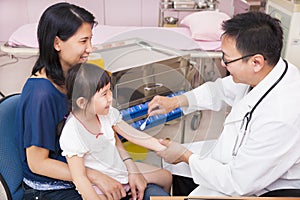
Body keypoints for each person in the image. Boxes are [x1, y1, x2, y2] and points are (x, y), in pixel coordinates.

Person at [14, 2, 167, 200]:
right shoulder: (41, 95)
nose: (90, 49)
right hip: (52, 187)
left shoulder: (76, 79)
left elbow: (107, 128)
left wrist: (130, 167)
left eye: (90, 40)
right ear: (57, 43)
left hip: (90, 165)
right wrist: (95, 177)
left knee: (160, 181)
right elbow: (37, 163)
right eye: (83, 41)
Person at [148, 11, 300, 197]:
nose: (222, 62)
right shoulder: (268, 71)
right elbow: (219, 90)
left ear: (256, 62)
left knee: (185, 165)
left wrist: (186, 156)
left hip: (264, 185)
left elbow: (237, 182)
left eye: (227, 59)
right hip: (239, 155)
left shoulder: (281, 116)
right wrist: (175, 102)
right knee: (176, 164)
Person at [59, 63, 171, 200]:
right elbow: (80, 178)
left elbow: (133, 134)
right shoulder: (72, 132)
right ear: (82, 103)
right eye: (104, 94)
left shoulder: (106, 113)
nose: (110, 98)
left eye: (109, 91)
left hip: (120, 169)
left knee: (166, 177)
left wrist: (163, 147)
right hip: (100, 186)